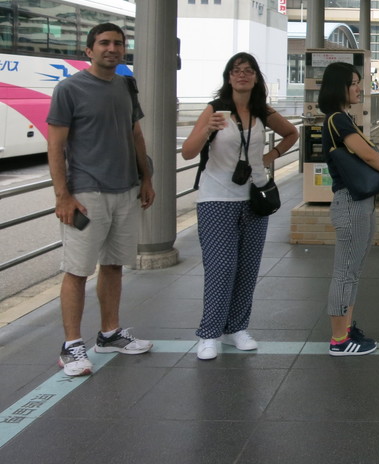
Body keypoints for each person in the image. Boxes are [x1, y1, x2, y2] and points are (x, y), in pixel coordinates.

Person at [47, 22, 156, 377]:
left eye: (118, 43)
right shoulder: (69, 89)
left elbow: (135, 132)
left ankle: (109, 334)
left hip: (125, 190)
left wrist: (146, 177)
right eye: (104, 43)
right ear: (89, 50)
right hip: (86, 194)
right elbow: (56, 145)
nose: (112, 48)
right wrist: (63, 195)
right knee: (77, 271)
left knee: (113, 266)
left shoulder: (126, 86)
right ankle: (71, 346)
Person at [181, 53, 298, 360]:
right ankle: (209, 334)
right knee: (221, 268)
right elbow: (188, 152)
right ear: (228, 77)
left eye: (248, 71)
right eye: (237, 71)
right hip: (216, 199)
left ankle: (236, 328)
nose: (242, 75)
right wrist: (208, 129)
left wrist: (270, 157)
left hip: (255, 197)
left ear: (256, 77)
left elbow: (292, 133)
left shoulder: (262, 111)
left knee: (247, 268)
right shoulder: (215, 109)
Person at [319, 62, 379, 355]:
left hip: (358, 203)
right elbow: (368, 155)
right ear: (339, 86)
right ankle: (338, 340)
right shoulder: (337, 120)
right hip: (350, 204)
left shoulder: (341, 118)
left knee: (352, 270)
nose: (359, 88)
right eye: (354, 83)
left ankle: (345, 329)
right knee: (345, 272)